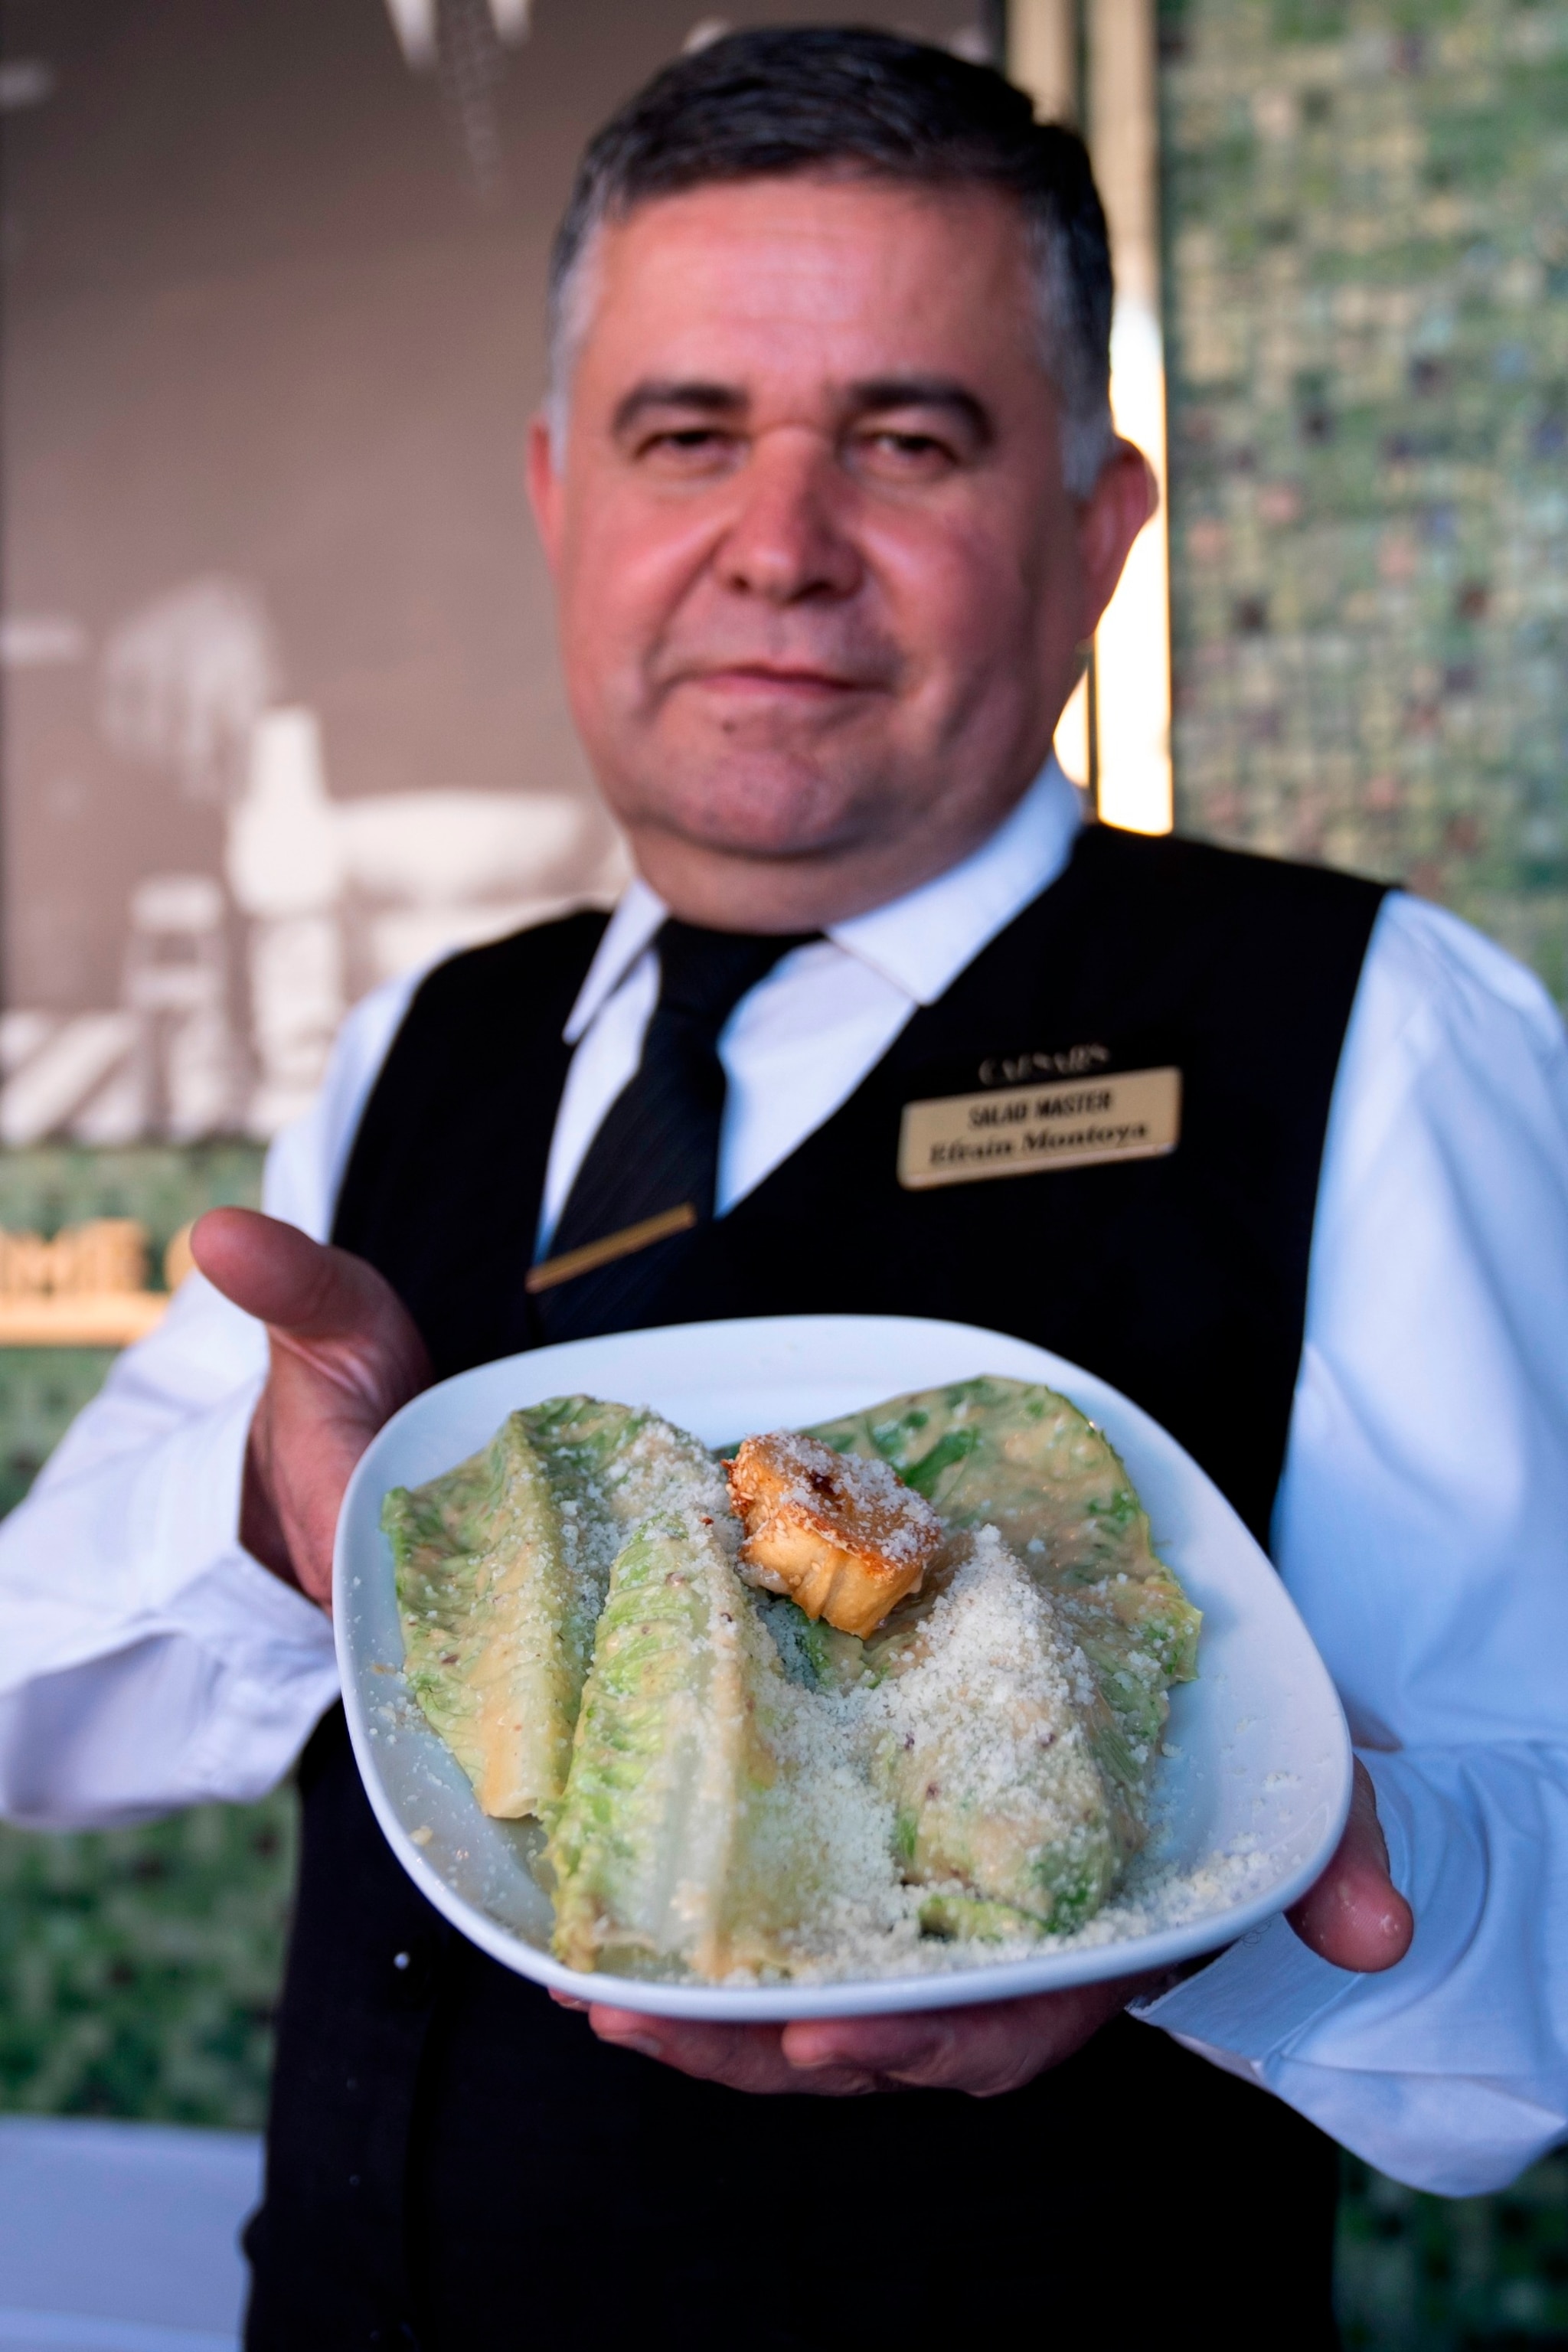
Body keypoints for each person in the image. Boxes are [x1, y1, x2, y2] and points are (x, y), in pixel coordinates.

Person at [1, 26, 1564, 2349]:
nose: (779, 544)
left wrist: (1246, 1883)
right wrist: (273, 1512)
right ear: (560, 495)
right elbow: (35, 1713)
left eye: (909, 440)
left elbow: (1533, 1954)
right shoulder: (419, 1042)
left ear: (1099, 528)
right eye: (687, 433)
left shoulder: (1380, 1023)